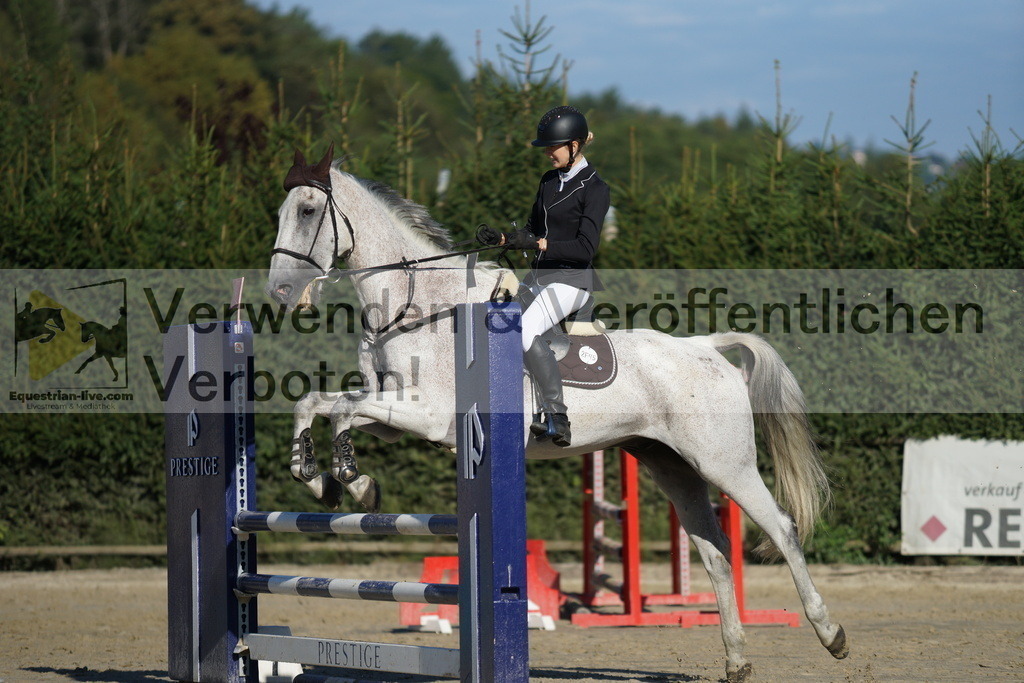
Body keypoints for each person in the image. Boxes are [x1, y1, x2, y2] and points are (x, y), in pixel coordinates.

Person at [478, 105, 610, 447]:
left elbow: (584, 248)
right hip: (539, 278)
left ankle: (557, 414)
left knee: (525, 330)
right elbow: (532, 229)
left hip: (573, 281)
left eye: (554, 146)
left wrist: (540, 243)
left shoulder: (596, 189)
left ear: (576, 146)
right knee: (492, 318)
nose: (548, 152)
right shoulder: (549, 181)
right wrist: (505, 239)